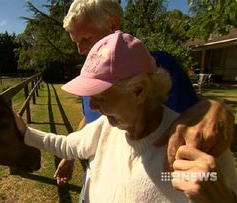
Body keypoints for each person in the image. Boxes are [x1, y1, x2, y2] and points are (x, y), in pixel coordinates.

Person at [15, 31, 237, 202]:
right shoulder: (105, 128)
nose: (91, 105)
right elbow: (67, 146)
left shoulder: (197, 147)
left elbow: (211, 184)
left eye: (100, 97)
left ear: (138, 91)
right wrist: (25, 132)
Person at [54, 0, 235, 186]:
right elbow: (89, 118)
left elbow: (194, 121)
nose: (80, 50)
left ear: (113, 25)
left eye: (85, 39)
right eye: (76, 43)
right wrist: (69, 156)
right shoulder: (90, 77)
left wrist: (215, 108)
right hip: (95, 185)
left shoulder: (158, 66)